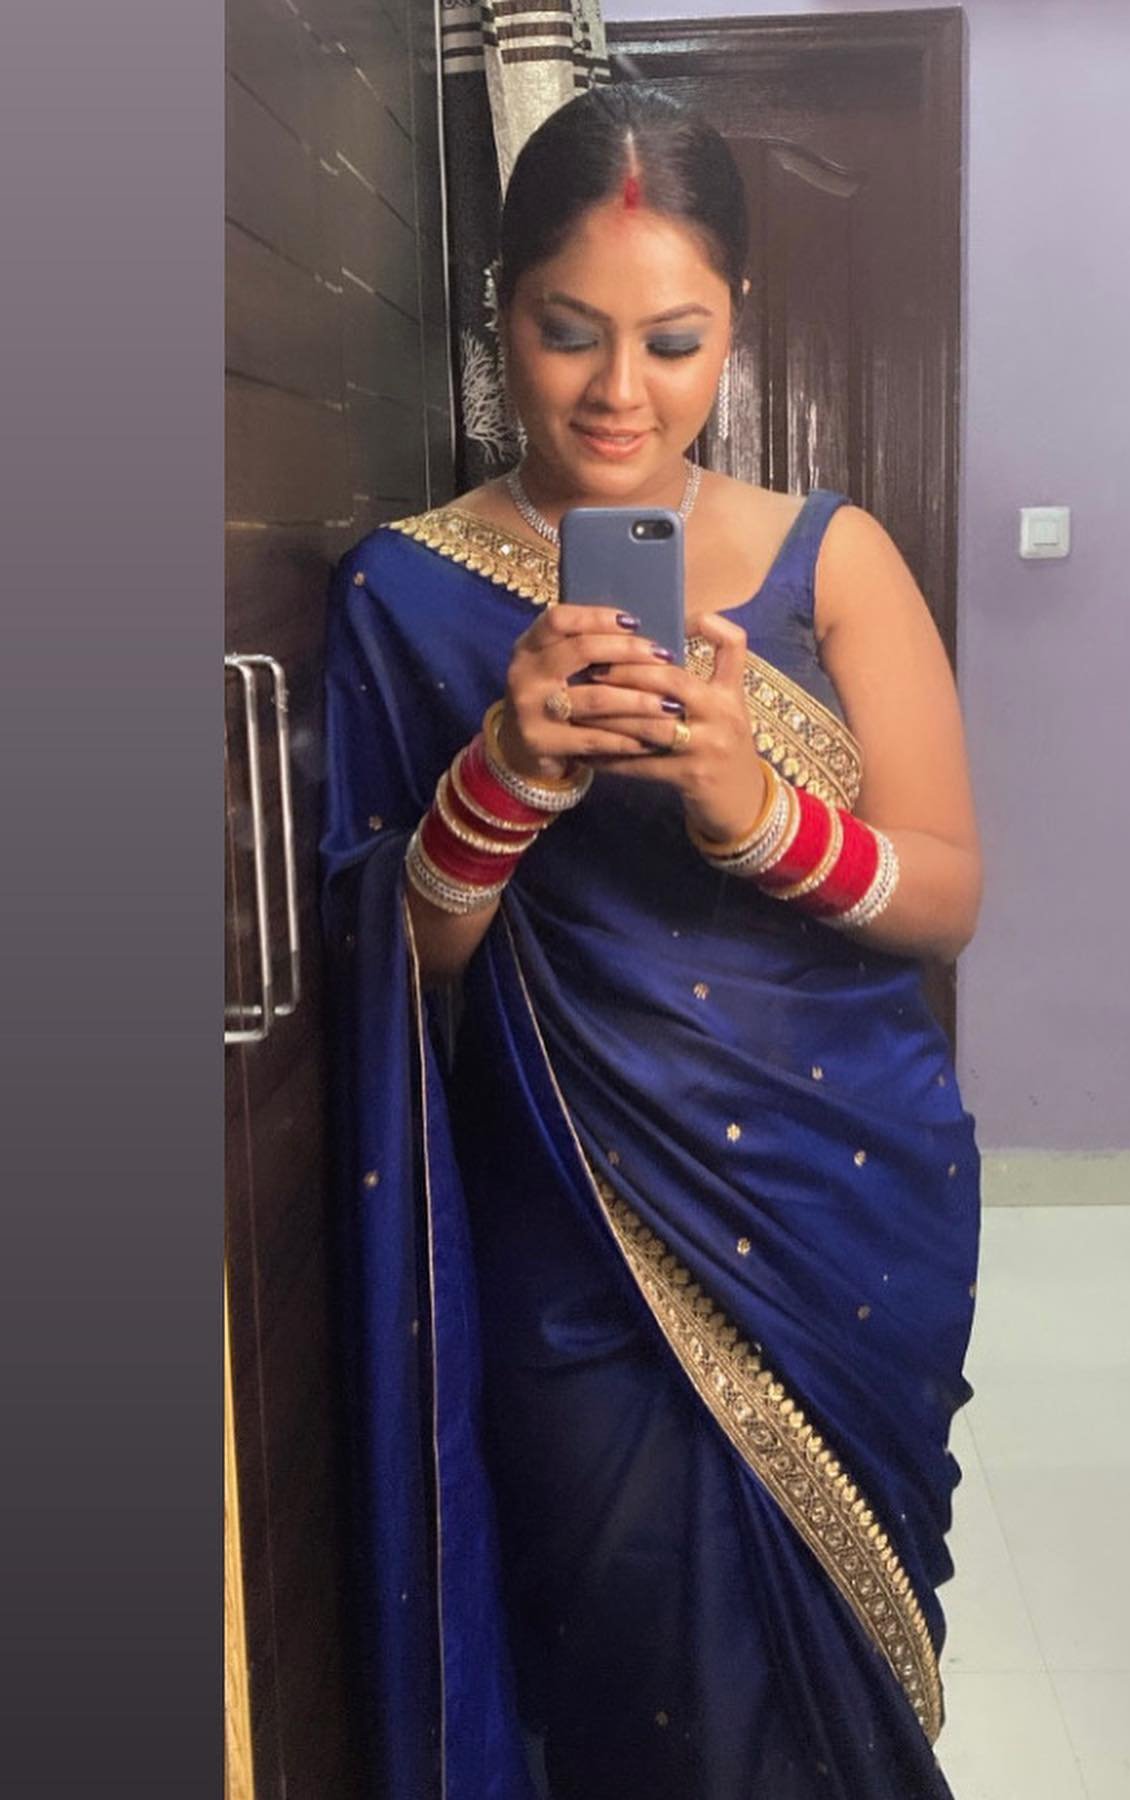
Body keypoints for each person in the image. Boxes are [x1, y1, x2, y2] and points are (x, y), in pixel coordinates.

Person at [320, 81, 983, 1800]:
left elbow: (946, 894)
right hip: (580, 1252)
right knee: (632, 1686)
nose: (622, 390)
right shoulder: (404, 591)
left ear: (731, 327)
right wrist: (505, 778)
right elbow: (397, 971)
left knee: (831, 1696)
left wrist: (756, 813)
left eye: (673, 341)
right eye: (571, 332)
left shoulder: (836, 559)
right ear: (501, 320)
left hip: (847, 1210)